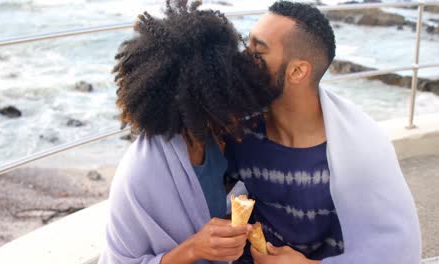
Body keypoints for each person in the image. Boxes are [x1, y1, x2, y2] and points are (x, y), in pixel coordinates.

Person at [225, 1, 422, 264]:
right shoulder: (239, 130)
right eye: (247, 45)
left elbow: (398, 252)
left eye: (257, 52)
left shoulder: (361, 147)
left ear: (297, 71)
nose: (242, 59)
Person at [99, 1, 279, 263]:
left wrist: (230, 227)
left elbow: (204, 205)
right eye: (226, 86)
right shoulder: (142, 172)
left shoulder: (212, 139)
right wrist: (194, 249)